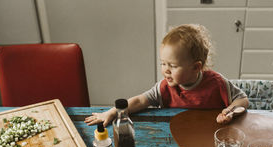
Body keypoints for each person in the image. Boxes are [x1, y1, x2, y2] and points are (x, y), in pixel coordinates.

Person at [85, 24, 249, 127]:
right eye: (163, 63)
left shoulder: (217, 83)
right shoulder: (164, 88)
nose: (165, 70)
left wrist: (229, 111)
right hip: (174, 139)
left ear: (196, 67)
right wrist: (113, 112)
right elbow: (140, 101)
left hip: (213, 136)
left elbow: (242, 99)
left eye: (173, 66)